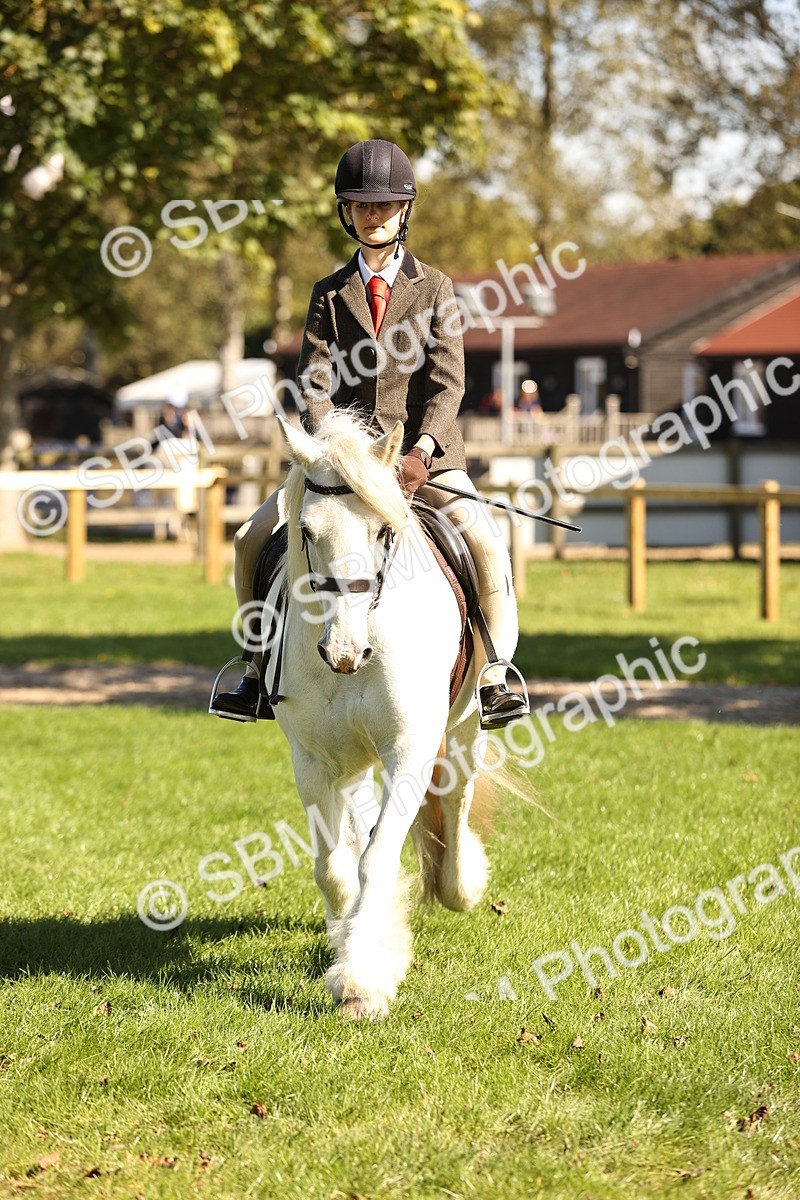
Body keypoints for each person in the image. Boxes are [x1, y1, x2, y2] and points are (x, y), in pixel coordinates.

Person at [210, 138, 530, 729]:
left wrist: (422, 451)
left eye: (383, 205)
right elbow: (314, 382)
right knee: (250, 538)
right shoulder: (328, 293)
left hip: (421, 458)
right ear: (346, 212)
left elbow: (448, 385)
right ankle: (256, 669)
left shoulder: (436, 288)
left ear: (405, 210)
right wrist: (331, 449)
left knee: (484, 538)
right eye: (360, 205)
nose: (372, 215)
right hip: (340, 463)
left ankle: (494, 676)